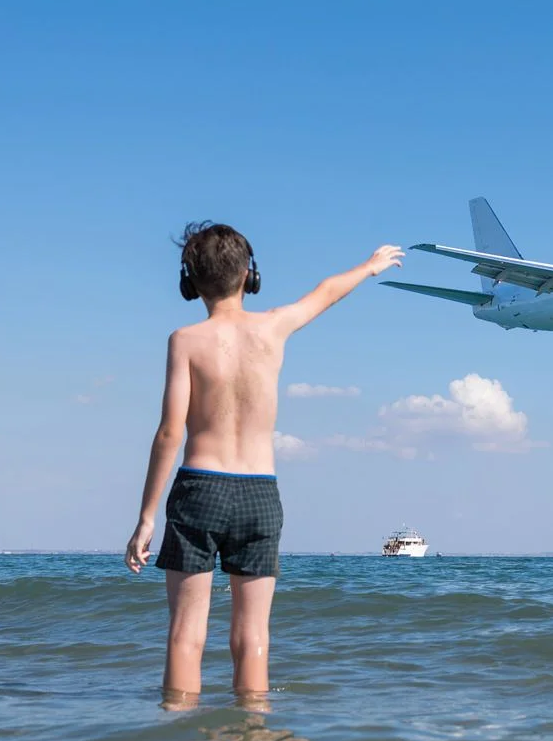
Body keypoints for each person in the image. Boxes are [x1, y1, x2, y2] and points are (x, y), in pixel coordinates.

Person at [124, 220, 403, 704]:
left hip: (199, 490)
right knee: (253, 637)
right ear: (249, 276)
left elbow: (170, 431)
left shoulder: (185, 340)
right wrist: (371, 266)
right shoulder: (274, 326)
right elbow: (327, 292)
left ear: (189, 282)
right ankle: (252, 740)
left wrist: (146, 518)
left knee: (186, 634)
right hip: (259, 493)